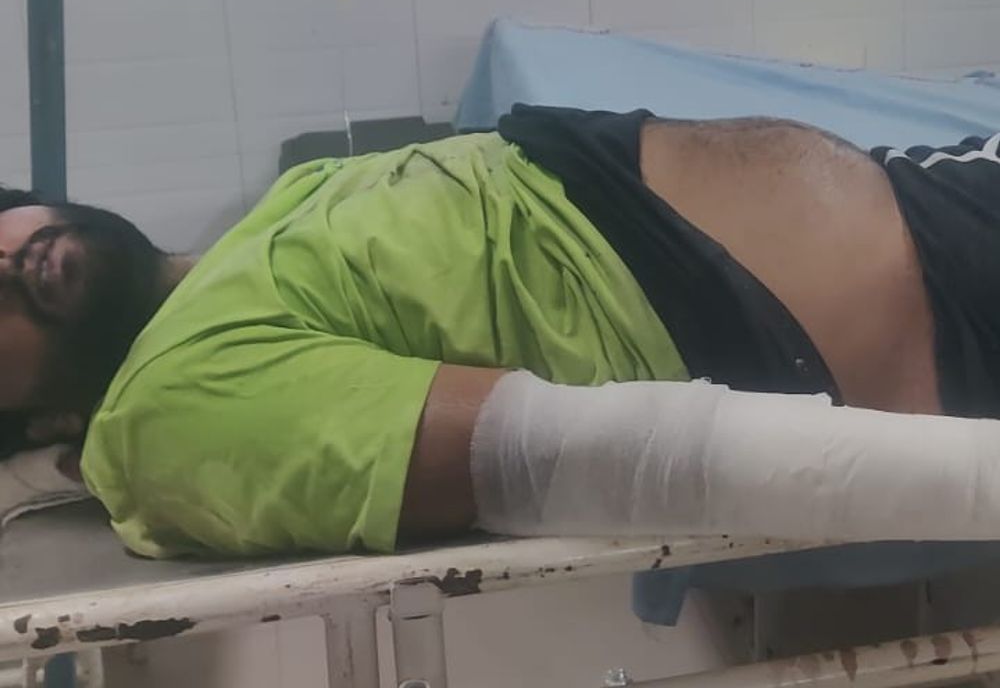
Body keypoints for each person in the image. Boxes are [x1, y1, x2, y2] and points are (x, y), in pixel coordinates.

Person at [1, 104, 999, 558]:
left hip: (926, 196)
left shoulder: (246, 239)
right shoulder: (166, 414)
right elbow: (570, 456)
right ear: (31, 419)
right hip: (943, 306)